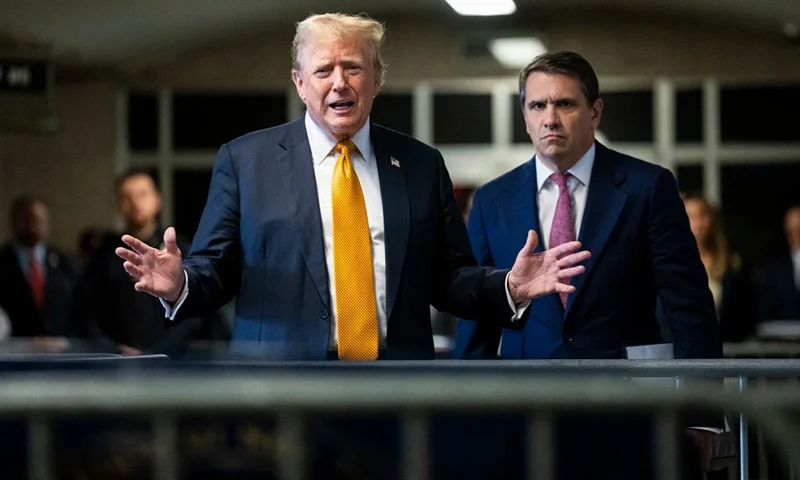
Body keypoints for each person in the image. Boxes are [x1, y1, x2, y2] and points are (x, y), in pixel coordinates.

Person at [114, 13, 590, 361]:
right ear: (301, 83)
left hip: (396, 386)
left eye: (354, 68)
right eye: (323, 71)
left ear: (377, 79)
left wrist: (509, 286)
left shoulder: (421, 165)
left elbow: (448, 279)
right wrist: (179, 285)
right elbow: (216, 270)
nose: (339, 83)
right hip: (280, 387)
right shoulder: (246, 160)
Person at [454, 51, 722, 479]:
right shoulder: (491, 200)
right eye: (537, 106)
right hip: (527, 416)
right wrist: (466, 417)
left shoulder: (647, 187)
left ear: (595, 111)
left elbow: (688, 306)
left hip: (630, 413)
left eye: (565, 104)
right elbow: (476, 319)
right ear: (524, 116)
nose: (550, 119)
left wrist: (700, 417)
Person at [72, 169, 226, 357]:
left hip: (174, 363)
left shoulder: (180, 252)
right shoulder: (104, 255)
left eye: (142, 194)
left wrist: (159, 352)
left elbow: (197, 313)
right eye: (126, 197)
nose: (135, 203)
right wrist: (113, 350)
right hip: (116, 365)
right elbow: (85, 312)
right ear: (118, 204)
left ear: (157, 200)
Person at [0, 195, 77, 349]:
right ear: (14, 222)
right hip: (13, 354)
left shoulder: (63, 262)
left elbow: (77, 308)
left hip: (61, 353)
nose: (33, 225)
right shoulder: (2, 262)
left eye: (38, 220)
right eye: (27, 219)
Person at [679, 193, 756, 341]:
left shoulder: (732, 263)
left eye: (703, 216)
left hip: (727, 349)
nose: (698, 224)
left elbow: (744, 313)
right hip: (684, 346)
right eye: (690, 216)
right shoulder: (671, 262)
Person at [758, 204, 800, 321]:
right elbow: (765, 314)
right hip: (783, 336)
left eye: (798, 229)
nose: (795, 235)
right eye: (791, 231)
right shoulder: (774, 272)